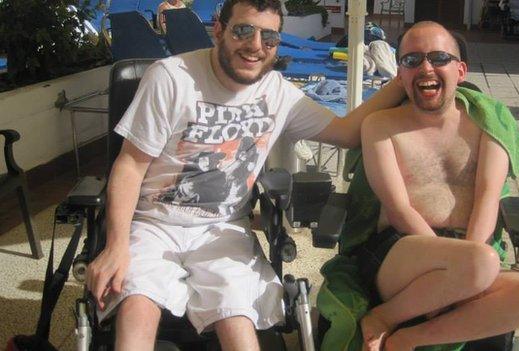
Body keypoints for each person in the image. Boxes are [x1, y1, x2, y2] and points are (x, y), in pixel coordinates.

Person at [85, 0, 407, 350]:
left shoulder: (278, 92)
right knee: (137, 305)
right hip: (152, 225)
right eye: (243, 31)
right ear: (219, 30)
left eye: (269, 37)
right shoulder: (171, 78)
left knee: (236, 312)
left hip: (224, 229)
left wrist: (404, 78)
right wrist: (115, 247)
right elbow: (130, 164)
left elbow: (346, 133)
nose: (256, 45)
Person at [355, 21, 519, 351]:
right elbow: (398, 209)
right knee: (480, 263)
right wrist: (463, 270)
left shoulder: (489, 122)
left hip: (473, 254)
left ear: (461, 70)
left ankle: (408, 340)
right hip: (402, 251)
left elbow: (487, 196)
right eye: (411, 60)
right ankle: (383, 316)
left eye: (439, 57)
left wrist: (465, 270)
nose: (426, 67)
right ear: (400, 75)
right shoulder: (379, 126)